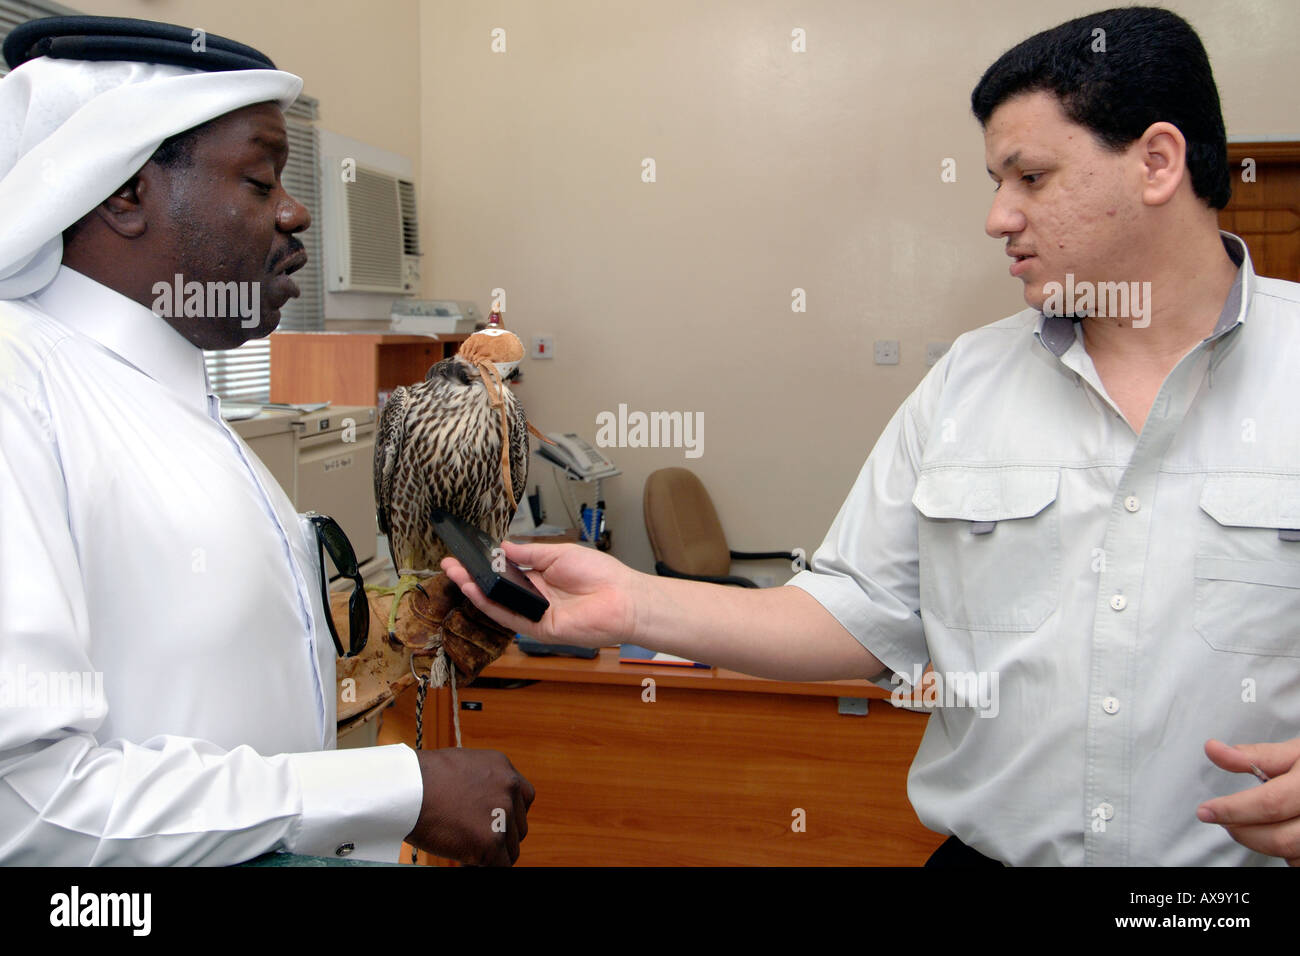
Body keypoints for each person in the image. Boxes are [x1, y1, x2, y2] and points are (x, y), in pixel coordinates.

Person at [444, 6, 1300, 866]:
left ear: (1157, 162)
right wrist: (631, 603)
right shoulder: (969, 382)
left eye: (1030, 177)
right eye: (995, 182)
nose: (999, 217)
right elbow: (859, 611)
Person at [0, 16, 532, 866]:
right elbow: (27, 808)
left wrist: (401, 637)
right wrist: (399, 792)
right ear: (123, 193)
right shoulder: (19, 390)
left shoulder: (173, 397)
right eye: (260, 179)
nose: (296, 211)